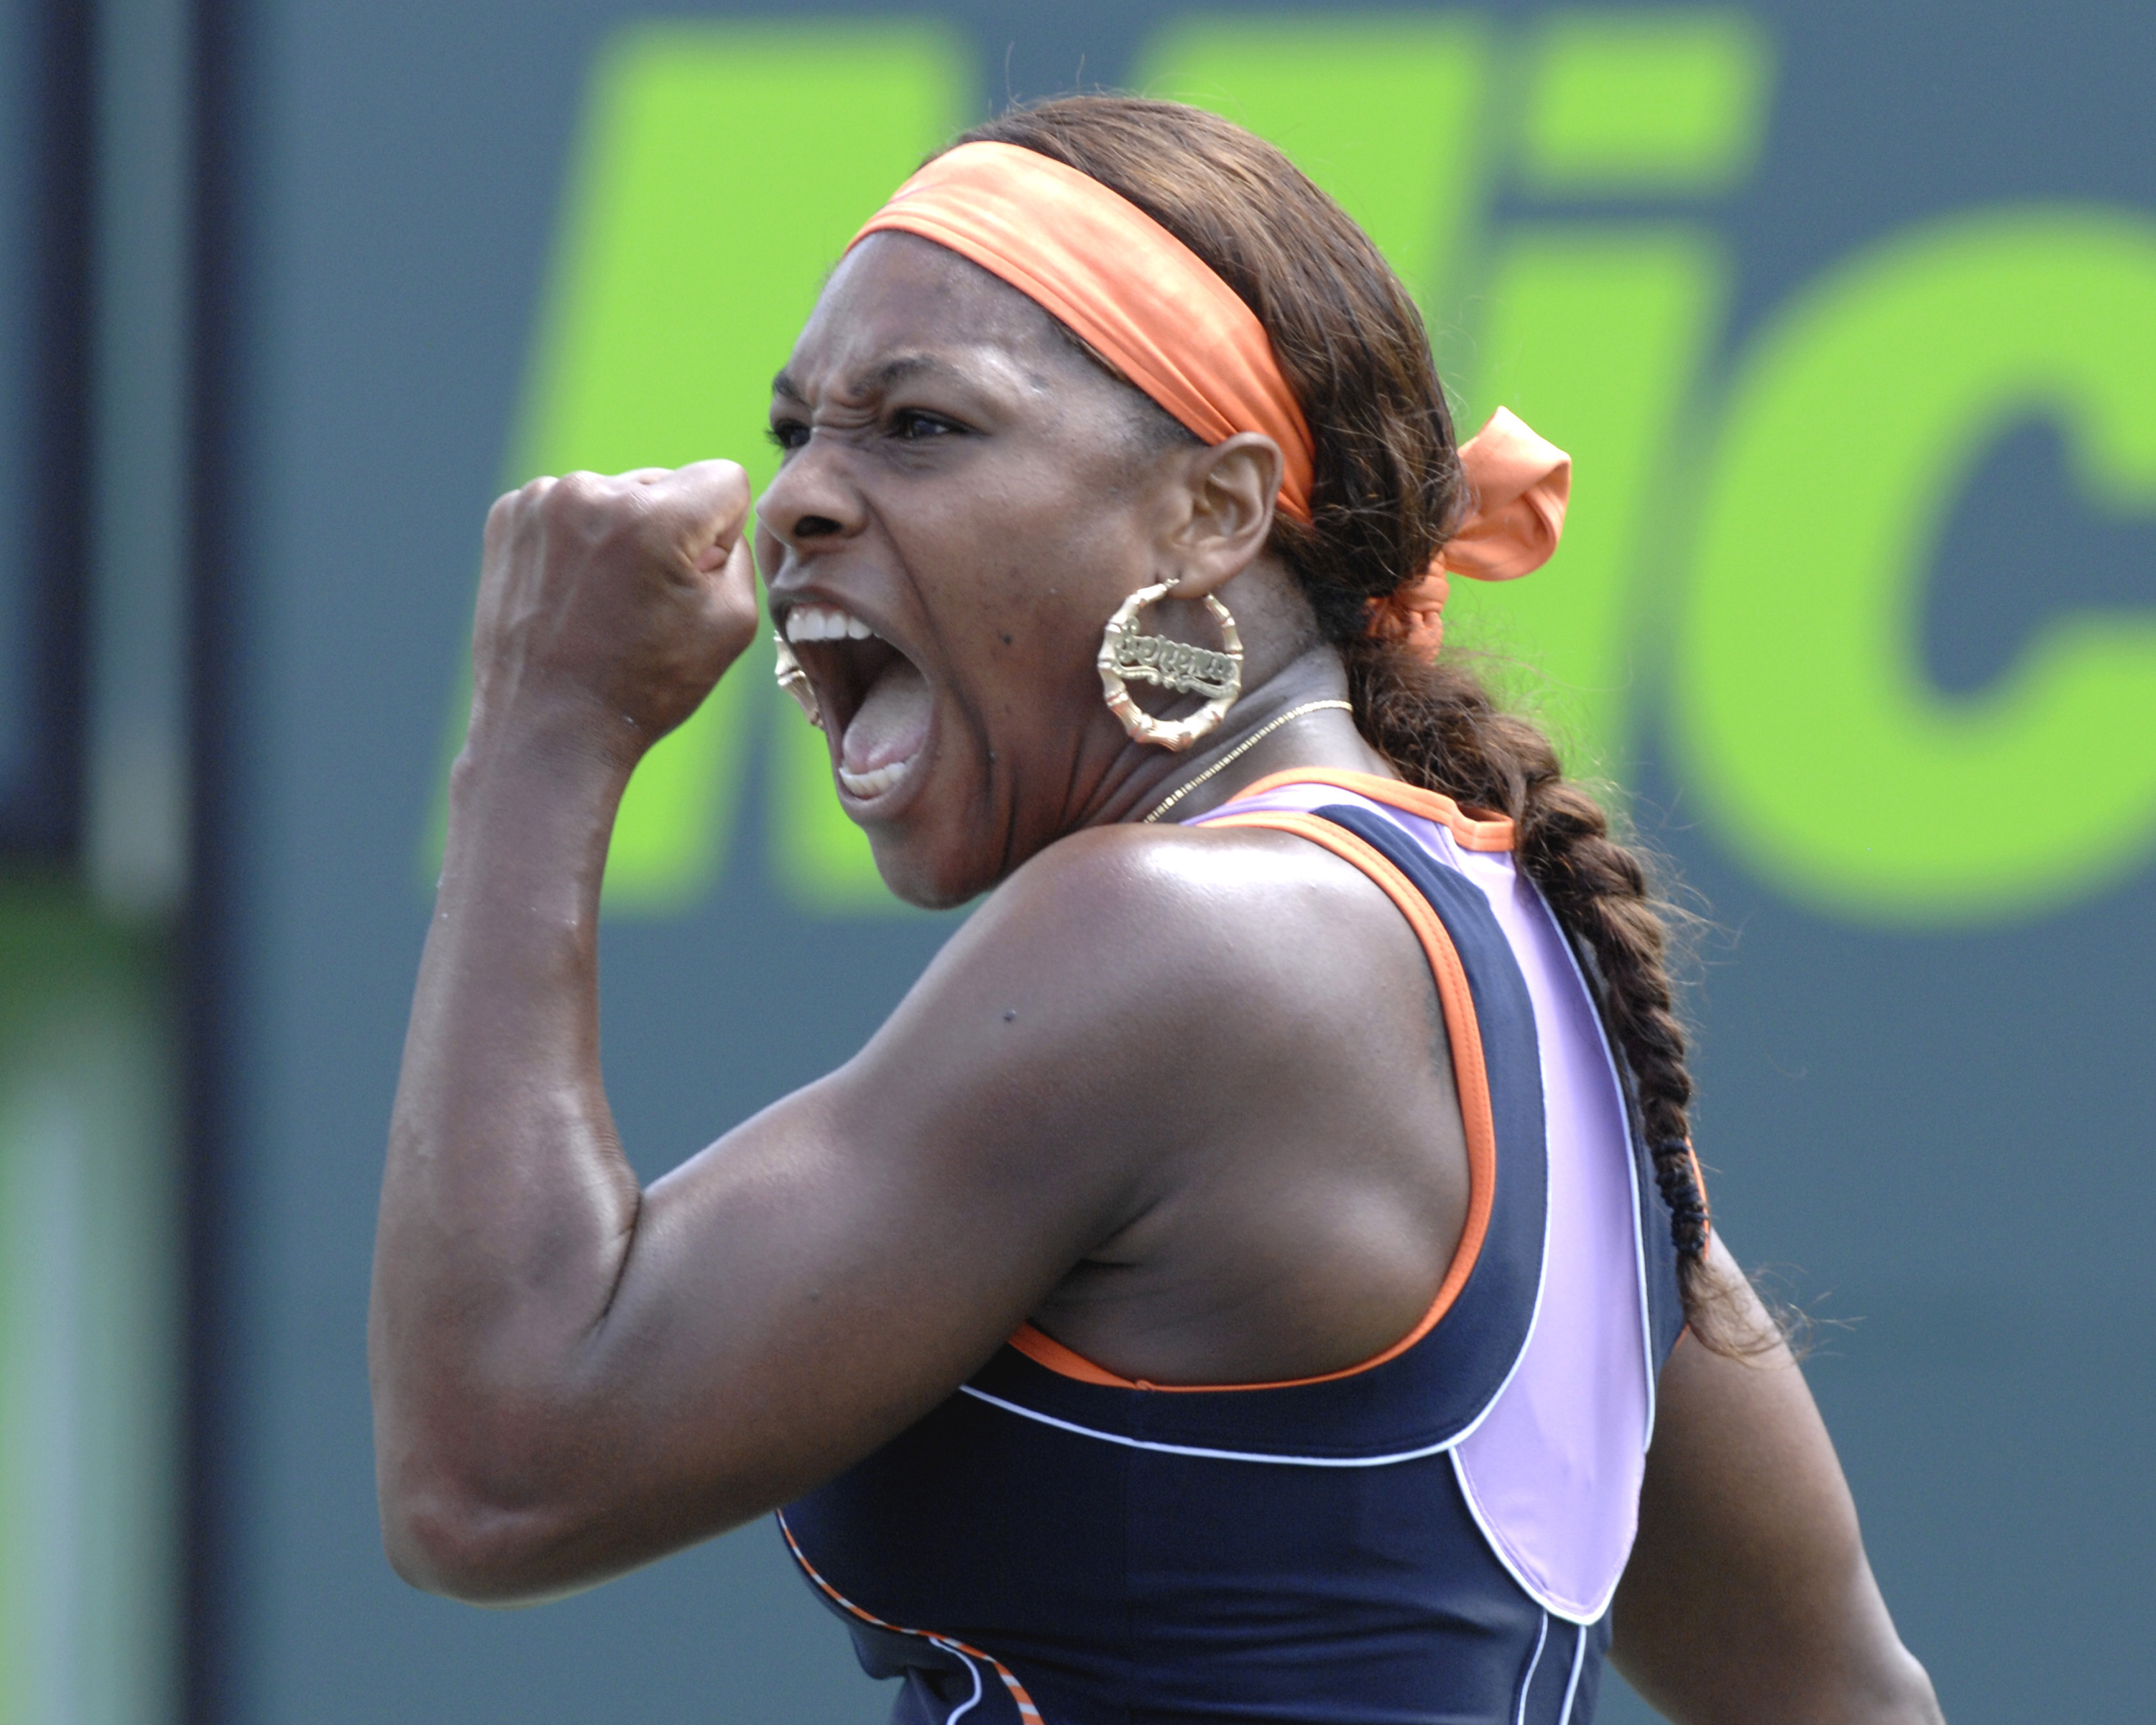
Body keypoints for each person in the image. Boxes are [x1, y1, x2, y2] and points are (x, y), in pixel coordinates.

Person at [370, 96, 1945, 1725]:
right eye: (799, 439)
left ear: (1212, 510)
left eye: (917, 427)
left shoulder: (1183, 939)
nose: (798, 506)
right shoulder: (1517, 956)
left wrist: (542, 734)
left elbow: (496, 1471)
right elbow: (1839, 1697)